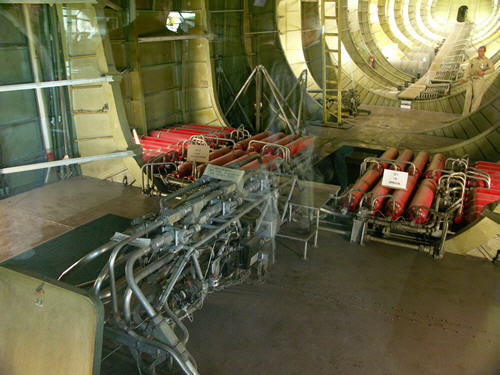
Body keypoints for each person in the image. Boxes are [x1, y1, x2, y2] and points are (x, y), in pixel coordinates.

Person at [461, 46, 494, 115]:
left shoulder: (487, 60)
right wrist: (464, 78)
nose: (480, 53)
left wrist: (484, 72)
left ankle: (472, 113)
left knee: (477, 97)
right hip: (471, 79)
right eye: (479, 51)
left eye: (481, 51)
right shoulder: (473, 60)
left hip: (479, 80)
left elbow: (492, 69)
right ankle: (465, 114)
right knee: (468, 95)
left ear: (484, 52)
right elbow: (468, 69)